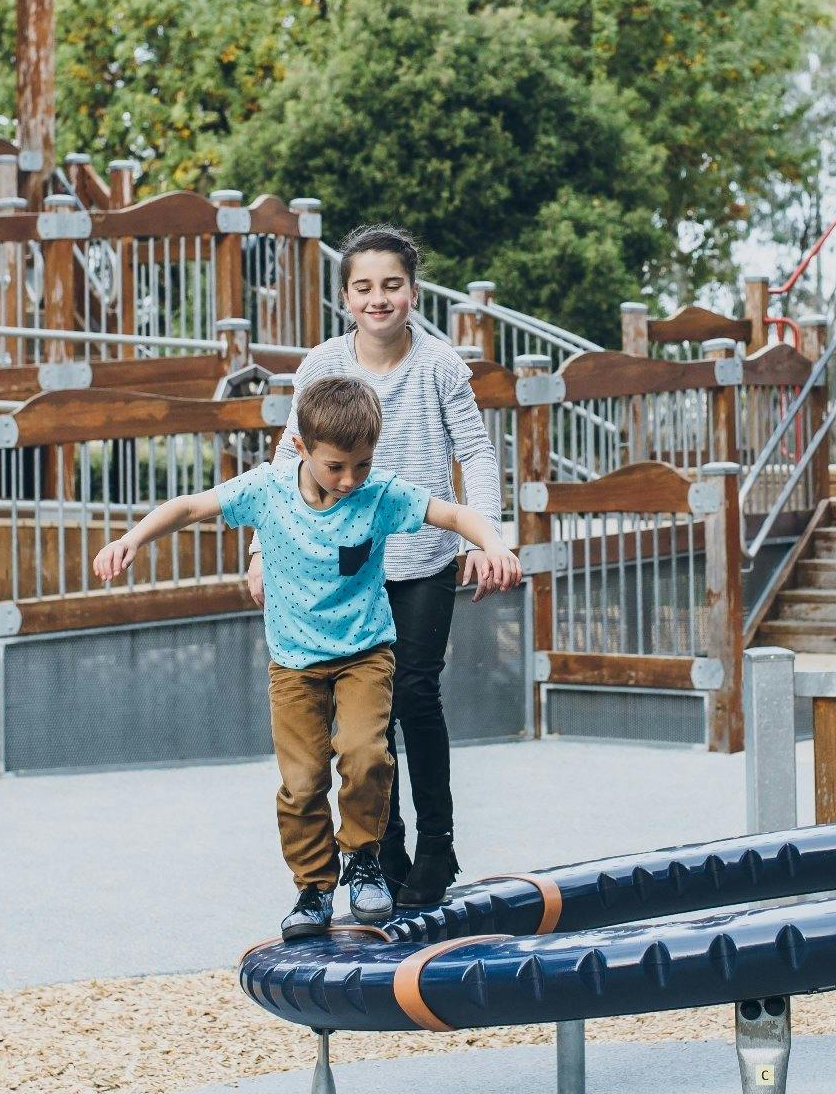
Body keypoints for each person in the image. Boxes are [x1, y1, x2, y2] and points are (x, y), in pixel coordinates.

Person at [94, 377, 519, 939]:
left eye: (362, 465)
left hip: (365, 654)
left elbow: (456, 515)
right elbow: (192, 505)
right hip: (294, 663)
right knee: (302, 780)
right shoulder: (267, 489)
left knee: (365, 753)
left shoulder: (378, 495)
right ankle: (314, 888)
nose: (350, 480)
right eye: (336, 467)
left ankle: (363, 860)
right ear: (301, 448)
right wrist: (133, 539)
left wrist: (493, 544)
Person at [247, 223, 511, 908]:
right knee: (367, 718)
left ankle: (438, 845)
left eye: (391, 285)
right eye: (364, 286)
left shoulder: (440, 365)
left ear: (413, 291)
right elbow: (286, 461)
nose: (379, 298)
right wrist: (260, 551)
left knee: (416, 694)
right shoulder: (322, 366)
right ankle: (379, 855)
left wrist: (488, 537)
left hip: (421, 556)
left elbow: (476, 456)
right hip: (341, 565)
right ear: (346, 297)